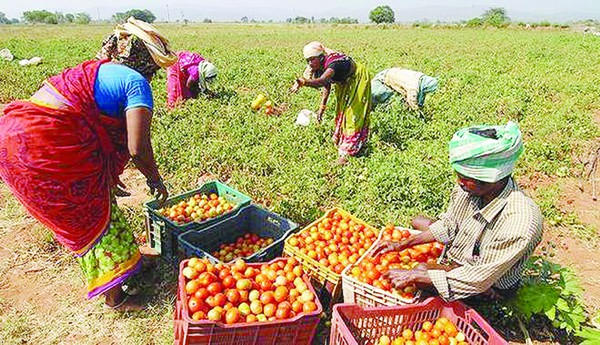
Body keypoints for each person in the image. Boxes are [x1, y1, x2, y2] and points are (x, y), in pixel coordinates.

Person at [0, 17, 176, 310]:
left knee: (97, 203)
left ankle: (126, 262)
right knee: (89, 212)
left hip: (12, 137)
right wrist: (154, 179)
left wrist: (104, 170)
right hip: (45, 145)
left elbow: (86, 123)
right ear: (146, 60)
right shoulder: (136, 83)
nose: (155, 74)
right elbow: (138, 147)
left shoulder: (98, 70)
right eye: (155, 67)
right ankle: (116, 298)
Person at [374, 121, 543, 301]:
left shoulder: (520, 223)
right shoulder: (470, 188)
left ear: (490, 179)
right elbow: (449, 225)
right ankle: (443, 265)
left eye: (465, 177)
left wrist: (413, 276)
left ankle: (471, 297)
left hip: (487, 282)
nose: (459, 182)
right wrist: (402, 244)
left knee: (421, 270)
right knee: (418, 221)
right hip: (465, 251)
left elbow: (479, 278)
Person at [290, 41, 372, 165]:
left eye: (312, 59)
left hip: (358, 78)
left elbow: (322, 81)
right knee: (342, 112)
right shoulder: (320, 66)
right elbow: (326, 86)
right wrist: (321, 109)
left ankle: (347, 154)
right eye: (308, 60)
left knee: (353, 115)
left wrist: (304, 82)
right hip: (344, 82)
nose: (310, 63)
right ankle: (343, 142)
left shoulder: (334, 64)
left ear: (321, 57)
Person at [371, 67, 438, 110]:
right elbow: (412, 101)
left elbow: (416, 95)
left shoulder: (421, 80)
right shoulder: (414, 85)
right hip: (384, 79)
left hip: (389, 79)